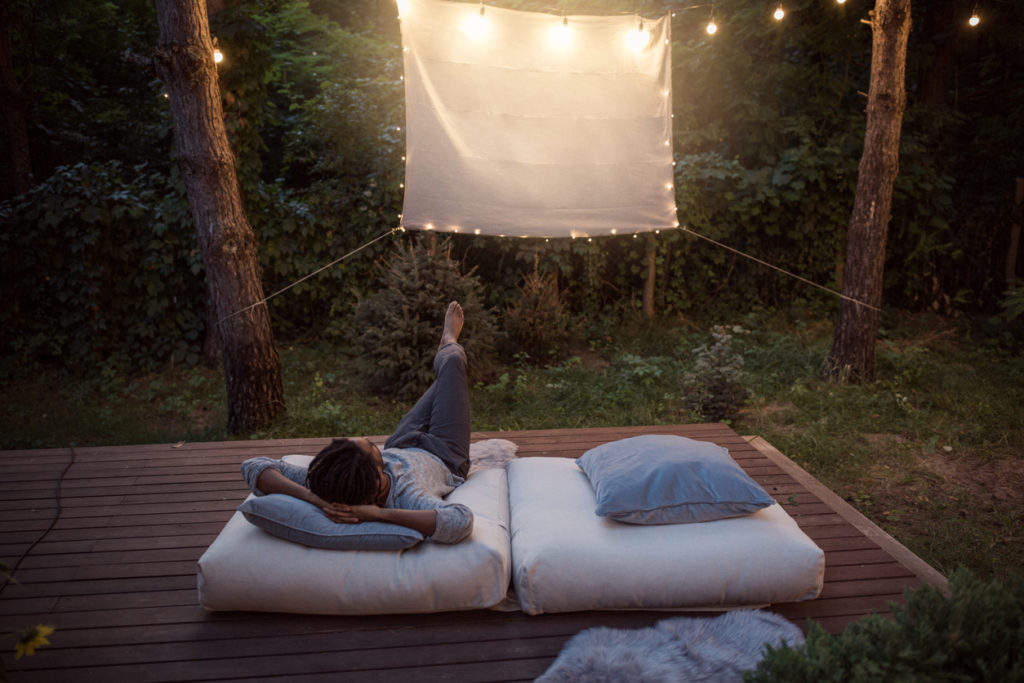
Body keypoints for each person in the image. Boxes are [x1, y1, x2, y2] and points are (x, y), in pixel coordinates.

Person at [240, 301, 474, 544]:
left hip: (403, 442)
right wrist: (379, 514)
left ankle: (444, 363)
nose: (366, 440)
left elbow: (254, 466)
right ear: (375, 479)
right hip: (445, 452)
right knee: (454, 362)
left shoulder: (331, 482)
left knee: (449, 377)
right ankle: (448, 342)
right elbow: (460, 520)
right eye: (372, 448)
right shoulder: (407, 496)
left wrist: (315, 499)